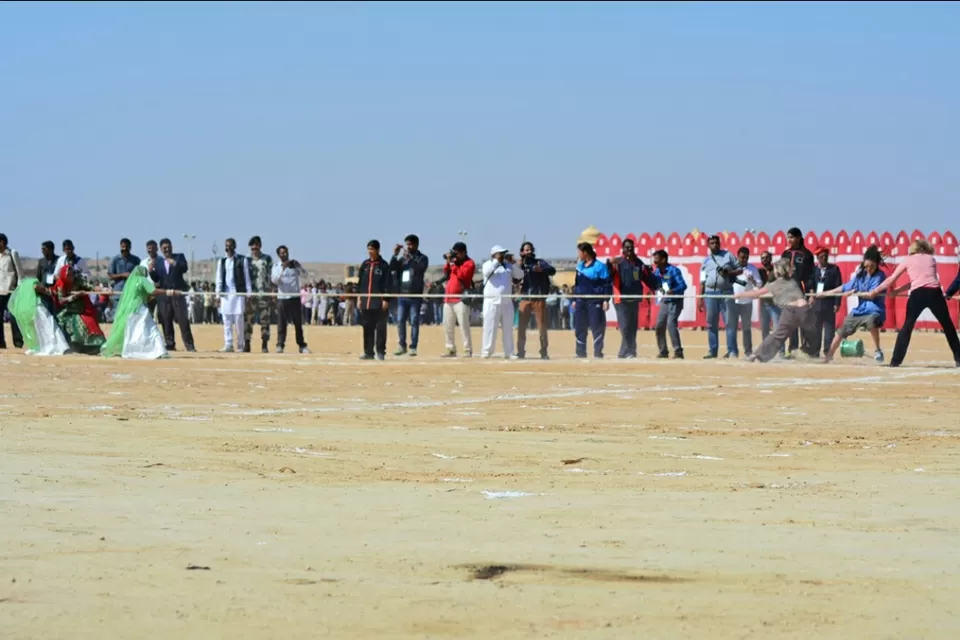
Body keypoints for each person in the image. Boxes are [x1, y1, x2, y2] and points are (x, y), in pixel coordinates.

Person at [867, 239, 960, 368]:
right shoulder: (931, 258)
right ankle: (959, 358)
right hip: (934, 293)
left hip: (918, 295)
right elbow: (921, 279)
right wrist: (899, 290)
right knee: (948, 325)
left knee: (907, 327)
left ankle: (895, 361)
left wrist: (875, 291)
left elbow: (891, 279)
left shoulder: (908, 260)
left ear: (913, 249)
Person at [733, 258, 817, 363]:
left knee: (776, 336)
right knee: (812, 331)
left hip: (791, 311)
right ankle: (809, 352)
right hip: (805, 310)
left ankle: (757, 355)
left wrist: (740, 295)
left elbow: (756, 294)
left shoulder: (773, 285)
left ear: (777, 271)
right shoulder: (793, 280)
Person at [818, 245, 887, 363]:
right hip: (859, 310)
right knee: (841, 330)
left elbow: (871, 295)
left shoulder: (880, 276)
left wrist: (855, 293)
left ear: (876, 264)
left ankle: (877, 350)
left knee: (871, 322)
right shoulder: (860, 275)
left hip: (874, 310)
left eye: (871, 266)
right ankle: (829, 355)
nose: (868, 269)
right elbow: (845, 287)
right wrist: (826, 293)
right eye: (866, 267)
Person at [100, 265, 168, 359]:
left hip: (130, 310)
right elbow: (153, 291)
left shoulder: (130, 283)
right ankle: (160, 351)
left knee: (132, 331)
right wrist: (168, 292)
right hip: (140, 308)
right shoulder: (142, 280)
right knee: (152, 329)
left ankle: (131, 350)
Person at [609, 238, 659, 359]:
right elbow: (608, 275)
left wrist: (659, 287)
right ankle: (624, 352)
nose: (629, 249)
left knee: (632, 327)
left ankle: (631, 351)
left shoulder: (639, 263)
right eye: (627, 247)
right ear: (623, 249)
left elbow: (648, 278)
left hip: (635, 300)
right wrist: (609, 264)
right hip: (621, 300)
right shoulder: (617, 263)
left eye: (631, 247)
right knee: (624, 327)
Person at [698, 235, 741, 359]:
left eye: (716, 243)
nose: (715, 245)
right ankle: (712, 351)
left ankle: (732, 351)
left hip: (726, 292)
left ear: (720, 243)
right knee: (711, 323)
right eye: (712, 243)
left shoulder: (728, 256)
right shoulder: (705, 261)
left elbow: (739, 270)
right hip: (710, 294)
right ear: (708, 245)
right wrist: (700, 297)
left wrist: (728, 273)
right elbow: (702, 280)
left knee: (730, 322)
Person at [149, 238, 196, 352]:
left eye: (168, 247)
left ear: (172, 247)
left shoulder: (179, 257)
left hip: (177, 294)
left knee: (183, 320)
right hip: (164, 296)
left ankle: (189, 345)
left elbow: (184, 268)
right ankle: (170, 344)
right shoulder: (158, 262)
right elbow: (157, 279)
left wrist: (174, 263)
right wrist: (151, 271)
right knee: (165, 320)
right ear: (161, 249)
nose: (167, 249)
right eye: (164, 248)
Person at [48, 265, 106, 354]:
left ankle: (94, 346)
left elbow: (91, 287)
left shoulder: (78, 281)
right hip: (66, 311)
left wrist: (103, 289)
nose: (71, 277)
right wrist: (75, 296)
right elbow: (61, 300)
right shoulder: (61, 284)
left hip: (80, 309)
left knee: (90, 321)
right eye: (68, 275)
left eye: (72, 274)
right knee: (71, 324)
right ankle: (74, 346)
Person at [480, 245, 524, 359]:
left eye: (503, 253)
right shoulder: (488, 264)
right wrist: (496, 261)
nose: (502, 256)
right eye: (500, 253)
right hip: (491, 301)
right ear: (493, 254)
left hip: (506, 301)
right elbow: (486, 272)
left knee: (508, 328)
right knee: (489, 327)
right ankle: (487, 351)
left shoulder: (508, 267)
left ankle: (509, 352)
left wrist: (514, 263)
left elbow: (520, 275)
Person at [7, 277, 70, 356]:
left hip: (28, 310)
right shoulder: (33, 282)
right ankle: (54, 346)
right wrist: (46, 291)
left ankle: (40, 346)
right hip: (36, 307)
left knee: (37, 329)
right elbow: (36, 287)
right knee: (48, 326)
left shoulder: (22, 286)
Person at [390, 234, 429, 357]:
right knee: (400, 320)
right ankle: (402, 345)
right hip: (402, 295)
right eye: (407, 244)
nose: (408, 247)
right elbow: (392, 267)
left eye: (411, 244)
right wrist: (395, 255)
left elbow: (420, 268)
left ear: (416, 245)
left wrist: (411, 258)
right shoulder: (403, 259)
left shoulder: (422, 258)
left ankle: (413, 346)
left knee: (414, 321)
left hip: (415, 296)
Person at [516, 241, 556, 360]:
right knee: (521, 326)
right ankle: (520, 351)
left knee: (542, 326)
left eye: (530, 249)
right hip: (525, 298)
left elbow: (552, 270)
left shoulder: (539, 262)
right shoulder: (520, 265)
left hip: (538, 298)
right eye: (525, 250)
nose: (528, 252)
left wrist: (542, 269)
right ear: (522, 252)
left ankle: (544, 351)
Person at [781, 227, 816, 356]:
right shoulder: (785, 254)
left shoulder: (806, 255)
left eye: (791, 237)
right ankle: (792, 349)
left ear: (799, 238)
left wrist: (811, 294)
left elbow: (810, 276)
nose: (789, 240)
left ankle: (806, 349)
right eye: (788, 237)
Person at [573, 242, 611, 359]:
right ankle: (580, 352)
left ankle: (598, 353)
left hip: (595, 301)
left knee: (597, 327)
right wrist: (575, 299)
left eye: (579, 252)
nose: (578, 254)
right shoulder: (579, 267)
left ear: (585, 252)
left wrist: (606, 300)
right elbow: (577, 284)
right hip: (581, 301)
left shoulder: (600, 266)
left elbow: (607, 284)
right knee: (579, 327)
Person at [271, 245, 310, 354]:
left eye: (286, 252)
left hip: (295, 298)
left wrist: (299, 267)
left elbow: (305, 275)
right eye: (282, 253)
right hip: (283, 298)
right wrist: (283, 269)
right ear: (279, 255)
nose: (284, 254)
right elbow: (274, 280)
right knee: (281, 323)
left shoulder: (294, 266)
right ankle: (280, 345)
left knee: (298, 324)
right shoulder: (276, 266)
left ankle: (302, 345)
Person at [357, 240, 392, 360]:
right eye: (368, 249)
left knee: (381, 328)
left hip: (379, 303)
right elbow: (360, 283)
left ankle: (381, 352)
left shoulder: (383, 265)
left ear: (378, 250)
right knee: (367, 327)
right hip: (366, 302)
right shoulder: (365, 265)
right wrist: (359, 298)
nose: (370, 251)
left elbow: (387, 283)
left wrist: (386, 299)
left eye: (372, 249)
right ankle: (368, 352)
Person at [216, 238, 251, 353]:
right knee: (226, 320)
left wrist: (248, 294)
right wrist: (217, 295)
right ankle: (228, 344)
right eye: (226, 246)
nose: (228, 248)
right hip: (225, 295)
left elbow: (247, 278)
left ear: (234, 246)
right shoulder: (221, 261)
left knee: (238, 320)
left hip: (238, 294)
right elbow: (219, 279)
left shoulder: (242, 260)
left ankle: (240, 345)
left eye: (230, 245)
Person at [441, 242, 476, 358]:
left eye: (457, 254)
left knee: (464, 325)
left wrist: (452, 264)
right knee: (448, 326)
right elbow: (446, 273)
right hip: (448, 298)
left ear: (464, 252)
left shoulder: (469, 263)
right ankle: (450, 348)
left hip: (461, 298)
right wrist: (448, 262)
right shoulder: (453, 263)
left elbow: (462, 275)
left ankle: (467, 349)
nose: (455, 256)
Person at [652, 249, 687, 359]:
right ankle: (663, 351)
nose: (655, 262)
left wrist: (674, 291)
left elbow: (683, 286)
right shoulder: (656, 272)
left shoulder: (674, 270)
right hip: (664, 301)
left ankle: (678, 351)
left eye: (656, 260)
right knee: (659, 325)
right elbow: (654, 284)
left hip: (675, 301)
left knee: (671, 324)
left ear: (663, 260)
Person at [811, 246, 843, 358]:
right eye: (821, 257)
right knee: (816, 329)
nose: (824, 258)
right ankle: (815, 352)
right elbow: (811, 285)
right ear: (817, 258)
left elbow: (839, 286)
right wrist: (811, 297)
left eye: (826, 256)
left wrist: (837, 303)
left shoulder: (834, 269)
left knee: (829, 330)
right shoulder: (814, 270)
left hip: (829, 302)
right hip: (816, 303)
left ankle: (828, 352)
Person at [244, 236, 274, 353]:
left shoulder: (267, 259)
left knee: (265, 321)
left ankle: (264, 344)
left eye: (257, 245)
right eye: (252, 246)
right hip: (250, 295)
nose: (254, 248)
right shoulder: (246, 260)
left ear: (260, 246)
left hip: (264, 295)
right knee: (248, 320)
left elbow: (271, 277)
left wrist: (272, 293)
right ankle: (247, 343)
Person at [731, 247, 761, 358]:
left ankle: (748, 351)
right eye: (742, 257)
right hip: (733, 302)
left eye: (746, 258)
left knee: (746, 328)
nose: (744, 260)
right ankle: (732, 351)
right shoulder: (732, 268)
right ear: (737, 256)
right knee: (732, 327)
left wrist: (752, 279)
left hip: (747, 302)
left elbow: (759, 285)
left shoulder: (752, 268)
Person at [0, 233, 24, 349]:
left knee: (14, 318)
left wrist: (19, 289)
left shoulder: (12, 254)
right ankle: (1, 342)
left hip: (11, 291)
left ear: (2, 242)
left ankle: (18, 342)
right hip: (0, 291)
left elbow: (20, 273)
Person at [107, 238, 141, 309]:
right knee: (118, 316)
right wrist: (123, 275)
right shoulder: (115, 260)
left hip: (132, 293)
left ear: (130, 247)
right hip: (118, 293)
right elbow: (110, 276)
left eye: (126, 247)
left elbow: (140, 275)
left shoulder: (136, 260)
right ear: (120, 247)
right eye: (123, 247)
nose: (125, 249)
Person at [757, 251, 781, 349]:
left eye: (766, 257)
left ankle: (780, 351)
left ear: (770, 258)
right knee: (764, 329)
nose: (764, 259)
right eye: (762, 258)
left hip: (775, 304)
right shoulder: (759, 272)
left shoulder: (776, 271)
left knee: (777, 329)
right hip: (763, 305)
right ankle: (766, 350)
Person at [144, 240, 160, 318]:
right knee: (148, 315)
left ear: (157, 249)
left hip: (160, 291)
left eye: (152, 248)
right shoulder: (143, 262)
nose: (150, 250)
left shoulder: (162, 261)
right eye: (149, 248)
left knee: (162, 316)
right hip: (148, 293)